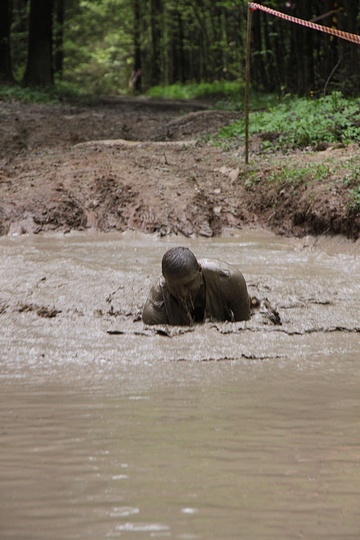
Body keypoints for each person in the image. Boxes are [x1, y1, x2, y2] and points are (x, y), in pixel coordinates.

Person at [142, 246, 250, 326]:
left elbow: (244, 326)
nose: (182, 293)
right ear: (165, 281)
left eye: (188, 284)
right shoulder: (154, 310)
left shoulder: (229, 280)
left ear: (199, 270)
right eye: (175, 288)